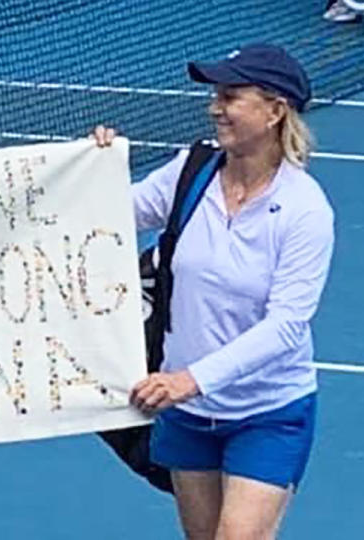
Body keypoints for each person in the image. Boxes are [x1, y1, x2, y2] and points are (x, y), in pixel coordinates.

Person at [94, 44, 334, 539]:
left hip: (268, 412)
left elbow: (286, 326)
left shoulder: (305, 212)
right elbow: (110, 215)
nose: (214, 106)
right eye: (215, 95)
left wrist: (191, 379)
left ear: (274, 111)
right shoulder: (192, 171)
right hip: (188, 415)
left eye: (230, 96)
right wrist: (92, 168)